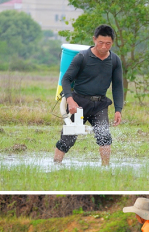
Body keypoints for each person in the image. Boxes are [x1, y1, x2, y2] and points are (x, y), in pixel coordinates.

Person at [55, 24, 124, 166]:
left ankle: (105, 168)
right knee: (68, 139)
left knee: (104, 136)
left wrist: (118, 109)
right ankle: (56, 165)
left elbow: (117, 86)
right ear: (94, 40)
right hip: (78, 103)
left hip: (100, 105)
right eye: (101, 43)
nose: (104, 47)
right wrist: (70, 100)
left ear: (112, 42)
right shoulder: (82, 57)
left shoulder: (115, 61)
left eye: (108, 44)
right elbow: (66, 79)